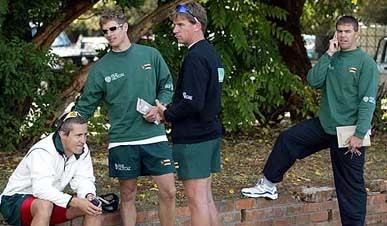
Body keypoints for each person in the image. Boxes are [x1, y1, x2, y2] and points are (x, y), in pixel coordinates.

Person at [241, 16, 379, 226]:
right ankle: (269, 184)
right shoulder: (332, 57)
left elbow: (368, 101)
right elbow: (313, 80)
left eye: (347, 32)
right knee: (288, 139)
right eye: (339, 31)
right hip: (325, 124)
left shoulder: (365, 64)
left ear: (356, 34)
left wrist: (360, 134)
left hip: (349, 133)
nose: (343, 35)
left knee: (350, 187)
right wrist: (329, 54)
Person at [73, 9, 176, 226]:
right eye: (105, 31)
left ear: (125, 27)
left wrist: (159, 109)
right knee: (128, 196)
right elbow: (85, 106)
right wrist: (66, 129)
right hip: (122, 140)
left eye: (113, 28)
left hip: (154, 137)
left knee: (169, 191)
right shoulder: (101, 68)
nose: (109, 34)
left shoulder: (150, 55)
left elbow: (166, 86)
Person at [155, 2, 224, 226]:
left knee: (197, 201)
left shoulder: (195, 57)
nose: (175, 29)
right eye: (175, 25)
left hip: (194, 138)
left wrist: (167, 113)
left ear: (197, 25)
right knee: (206, 198)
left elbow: (192, 102)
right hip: (209, 133)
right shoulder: (210, 52)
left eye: (180, 24)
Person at [0, 111, 102, 226]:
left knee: (93, 206)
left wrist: (88, 195)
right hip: (14, 203)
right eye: (78, 135)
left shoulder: (82, 149)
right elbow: (41, 190)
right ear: (62, 134)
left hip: (50, 200)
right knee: (44, 205)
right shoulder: (43, 151)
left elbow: (84, 178)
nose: (83, 141)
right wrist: (75, 201)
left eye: (85, 135)